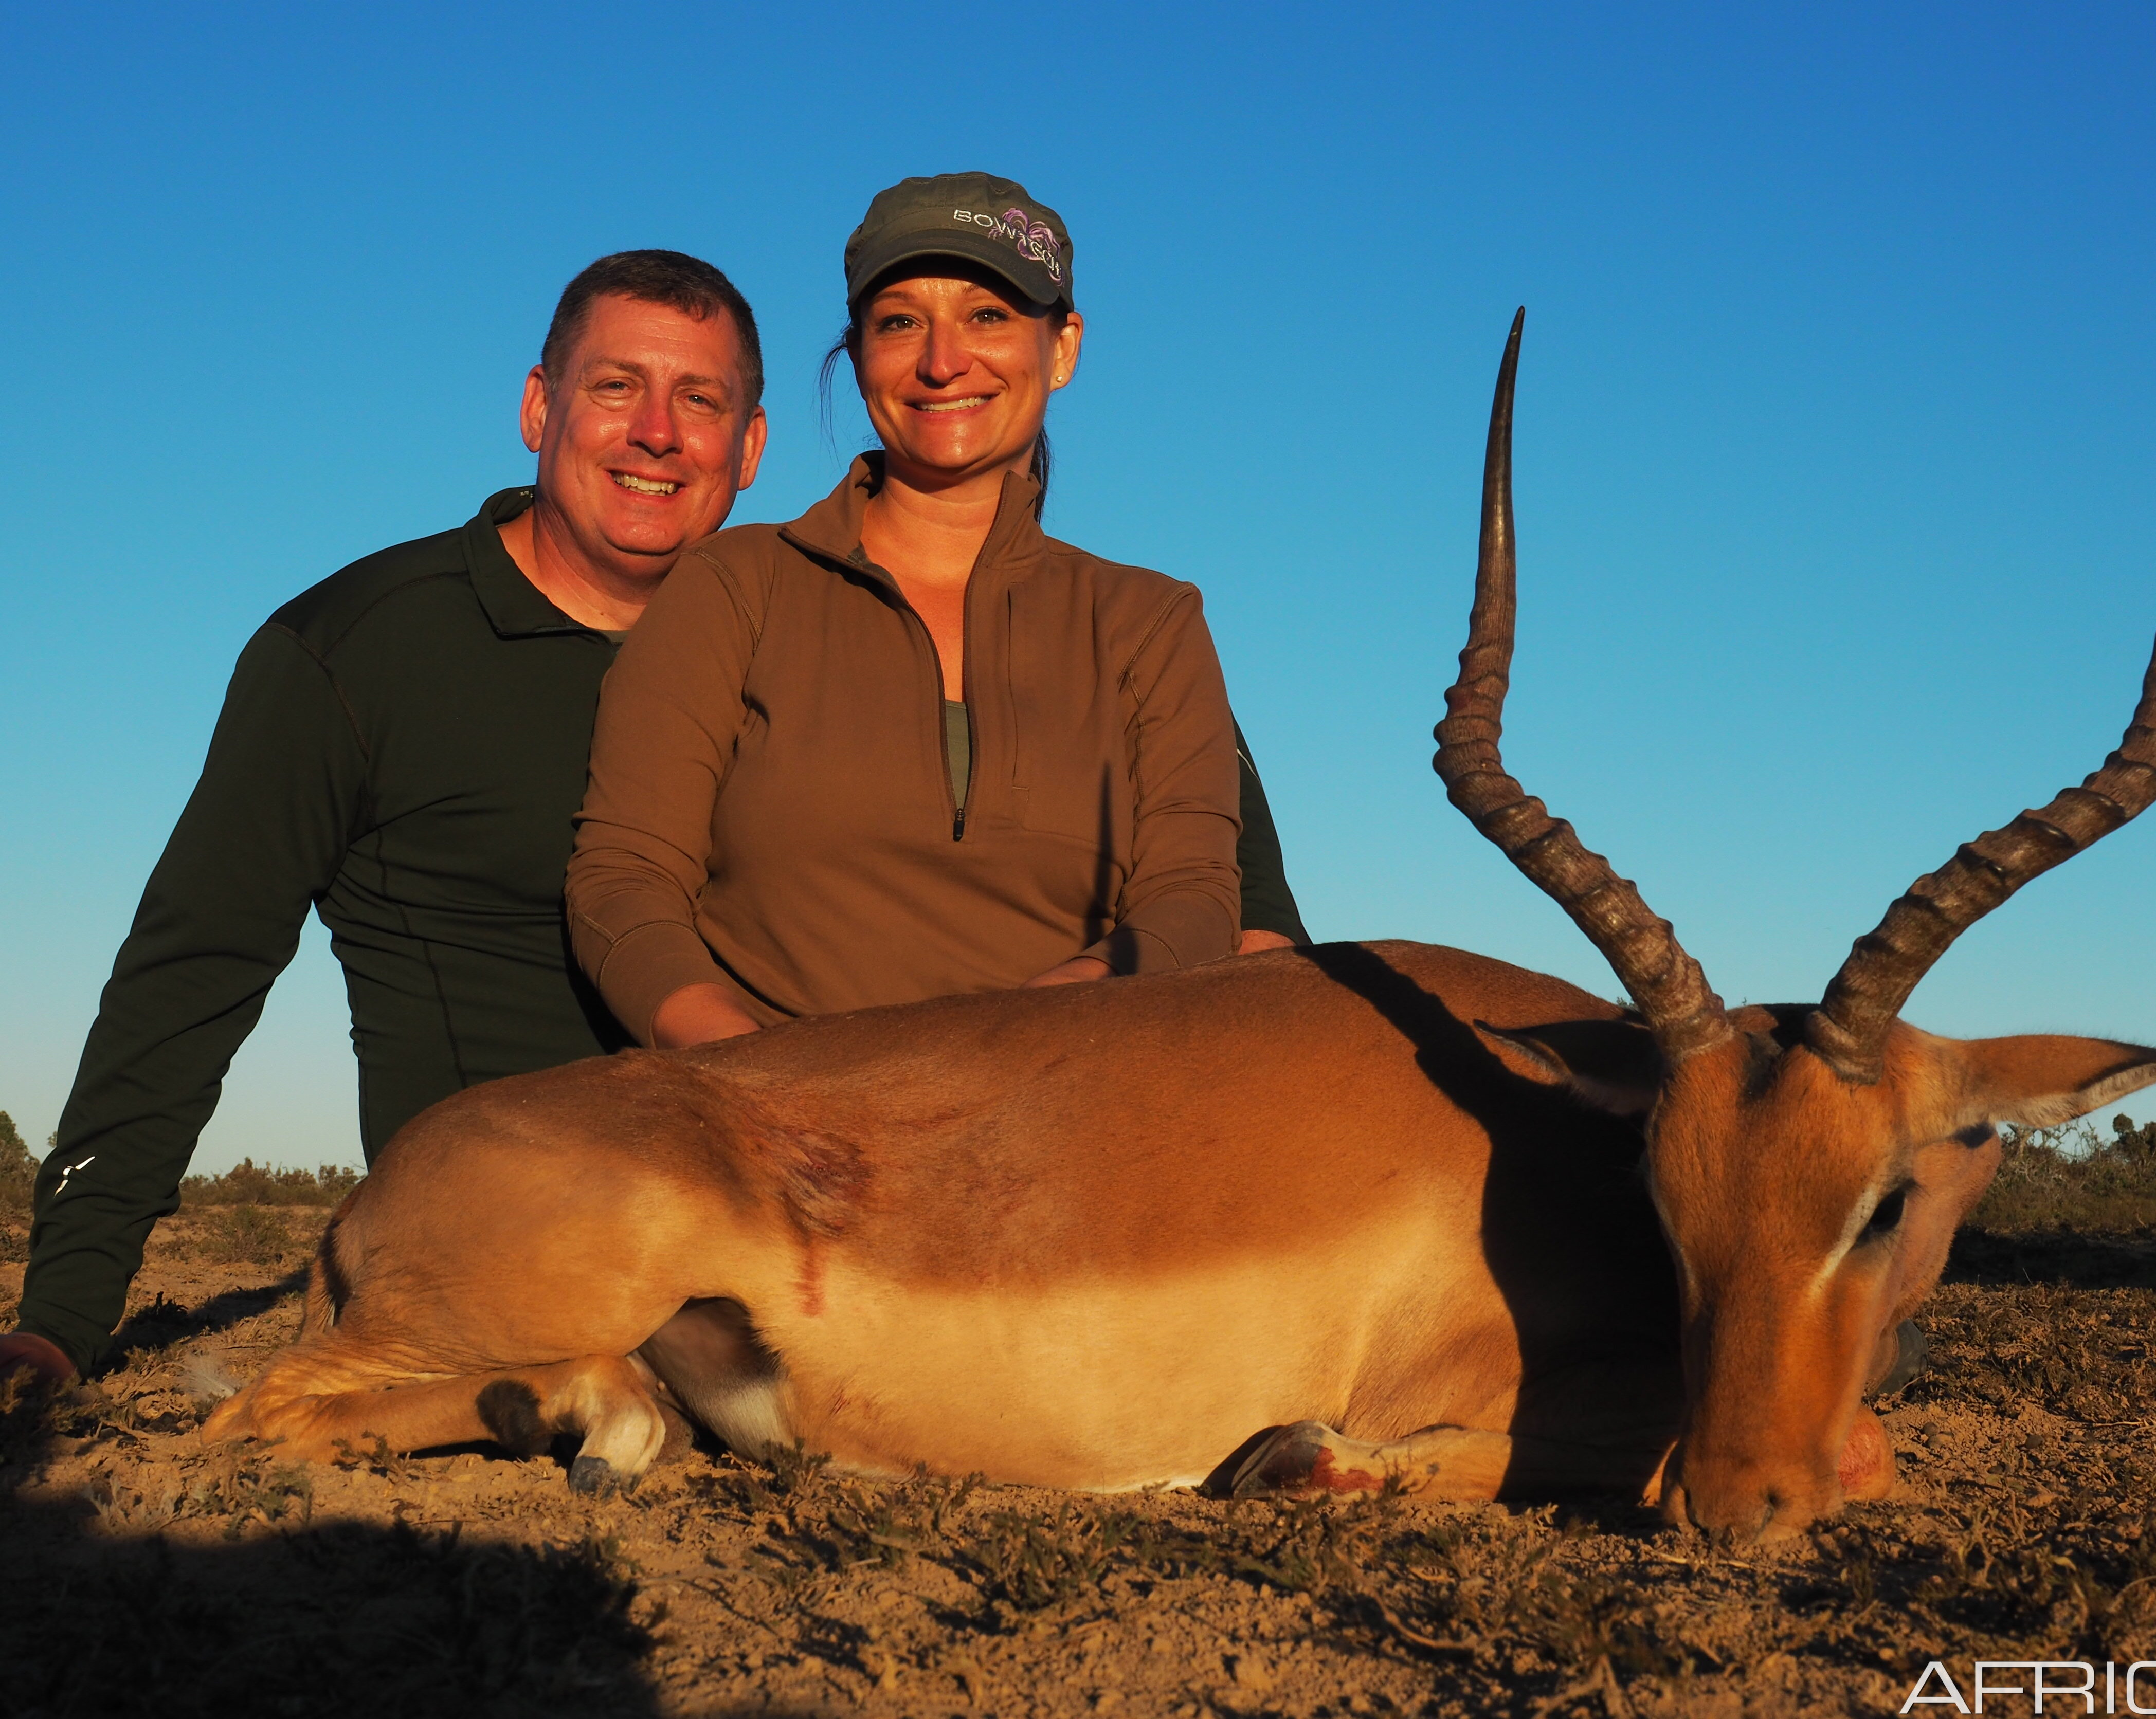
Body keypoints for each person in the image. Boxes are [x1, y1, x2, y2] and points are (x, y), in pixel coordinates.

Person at [3, 243, 1305, 1387]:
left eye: (702, 402)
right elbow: (193, 974)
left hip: (869, 1210)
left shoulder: (1076, 631)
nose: (655, 434)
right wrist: (61, 1315)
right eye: (616, 388)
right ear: (537, 407)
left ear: (751, 446)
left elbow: (1243, 933)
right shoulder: (361, 648)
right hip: (531, 1235)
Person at [567, 174, 1279, 1045]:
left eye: (989, 317)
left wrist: (1026, 1036)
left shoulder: (1149, 621)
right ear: (860, 354)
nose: (943, 362)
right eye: (900, 321)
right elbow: (624, 879)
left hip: (1068, 1103)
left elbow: (1193, 898)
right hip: (758, 1121)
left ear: (1062, 349)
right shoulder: (734, 583)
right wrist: (754, 1077)